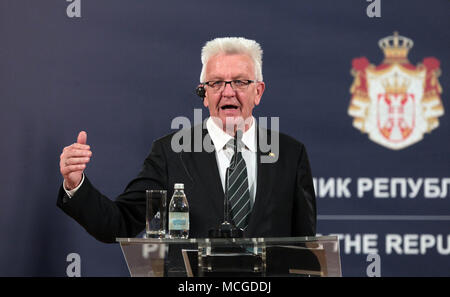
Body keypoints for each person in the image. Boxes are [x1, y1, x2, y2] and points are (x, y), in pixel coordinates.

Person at [57, 37, 316, 243]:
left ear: (257, 91)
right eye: (215, 83)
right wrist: (75, 183)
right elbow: (119, 224)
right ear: (204, 94)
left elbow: (307, 247)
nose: (227, 92)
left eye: (239, 81)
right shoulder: (171, 153)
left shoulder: (291, 155)